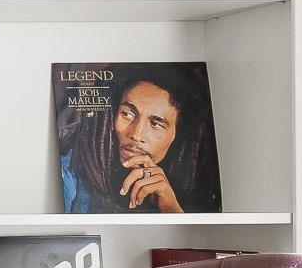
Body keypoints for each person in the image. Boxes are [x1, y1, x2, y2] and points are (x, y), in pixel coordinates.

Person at [58, 65, 216, 214]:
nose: (136, 134)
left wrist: (171, 209)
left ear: (176, 135)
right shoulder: (68, 166)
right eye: (128, 114)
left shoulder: (189, 181)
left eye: (156, 124)